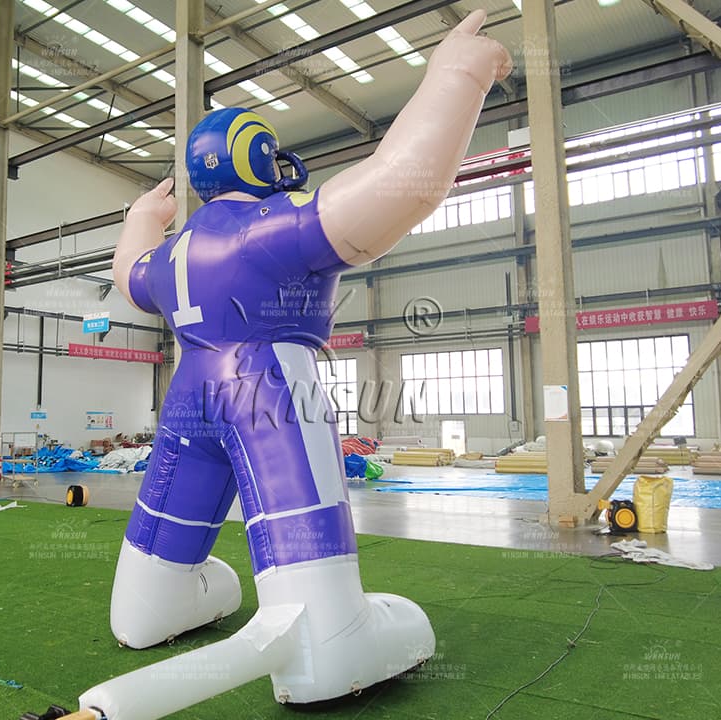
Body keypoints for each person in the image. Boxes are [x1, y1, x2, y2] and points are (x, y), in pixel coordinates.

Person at [107, 9, 511, 703]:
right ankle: (330, 637)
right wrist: (458, 75)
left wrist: (144, 217)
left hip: (188, 396)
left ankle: (155, 604)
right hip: (268, 389)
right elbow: (405, 181)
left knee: (151, 584)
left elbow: (128, 273)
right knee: (319, 609)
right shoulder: (271, 228)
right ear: (256, 158)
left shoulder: (171, 255)